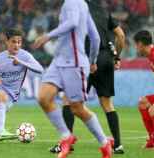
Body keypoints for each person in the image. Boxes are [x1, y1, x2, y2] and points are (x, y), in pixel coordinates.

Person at [33, 0, 112, 158]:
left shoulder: (72, 2)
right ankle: (66, 136)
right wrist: (92, 59)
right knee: (43, 97)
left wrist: (48, 36)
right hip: (58, 61)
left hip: (74, 64)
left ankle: (104, 142)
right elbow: (95, 38)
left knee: (77, 108)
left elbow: (73, 23)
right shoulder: (82, 4)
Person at [50, 0, 126, 154]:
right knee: (107, 103)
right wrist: (116, 57)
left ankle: (66, 144)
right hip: (105, 58)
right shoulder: (103, 10)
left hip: (85, 58)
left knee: (67, 101)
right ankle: (117, 145)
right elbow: (121, 35)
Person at [133, 30, 154, 148]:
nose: (136, 48)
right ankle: (152, 139)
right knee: (143, 102)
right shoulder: (150, 55)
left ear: (140, 44)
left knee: (153, 110)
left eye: (136, 45)